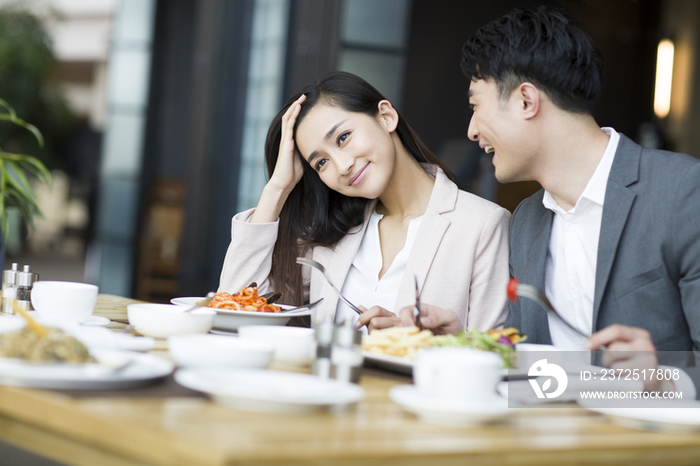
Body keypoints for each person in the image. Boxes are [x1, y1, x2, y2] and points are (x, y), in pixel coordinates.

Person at [400, 7, 700, 392]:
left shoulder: (683, 192)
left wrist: (665, 379)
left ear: (526, 100)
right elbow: (539, 371)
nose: (472, 131)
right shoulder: (526, 220)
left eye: (476, 106)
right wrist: (462, 342)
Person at [218, 71, 511, 332]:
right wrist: (277, 189)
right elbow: (235, 308)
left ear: (386, 117)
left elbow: (496, 355)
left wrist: (424, 343)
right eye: (321, 163)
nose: (342, 166)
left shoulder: (482, 225)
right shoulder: (333, 237)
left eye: (343, 137)